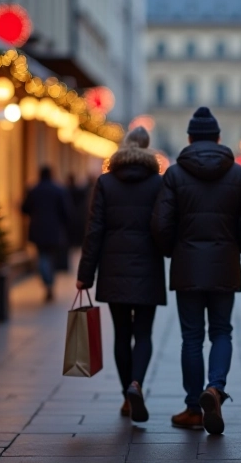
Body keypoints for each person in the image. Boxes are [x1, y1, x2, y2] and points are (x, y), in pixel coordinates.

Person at [152, 107, 241, 435]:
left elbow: (160, 223)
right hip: (223, 263)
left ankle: (192, 408)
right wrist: (234, 246)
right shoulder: (238, 174)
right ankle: (214, 388)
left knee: (191, 337)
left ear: (189, 139)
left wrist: (174, 250)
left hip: (187, 264)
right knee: (221, 331)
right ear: (218, 138)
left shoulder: (173, 174)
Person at [76, 127, 164, 423]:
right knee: (144, 334)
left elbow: (95, 230)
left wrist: (84, 274)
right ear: (148, 149)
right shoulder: (157, 184)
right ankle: (137, 383)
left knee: (121, 334)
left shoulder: (105, 182)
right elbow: (164, 226)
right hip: (148, 267)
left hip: (113, 269)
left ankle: (127, 397)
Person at [21, 165, 72, 302]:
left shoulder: (34, 190)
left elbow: (25, 209)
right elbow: (66, 211)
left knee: (42, 255)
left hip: (38, 228)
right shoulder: (58, 190)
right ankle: (49, 282)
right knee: (50, 256)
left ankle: (47, 281)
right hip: (54, 229)